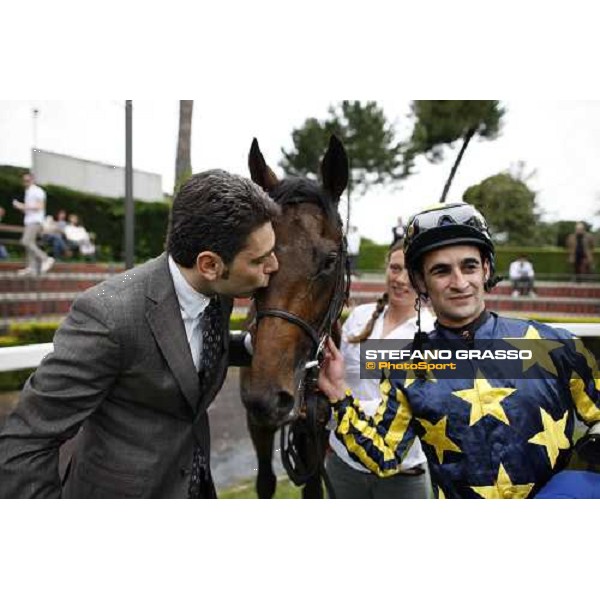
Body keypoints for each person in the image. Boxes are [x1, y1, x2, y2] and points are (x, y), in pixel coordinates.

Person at [0, 169, 280, 498]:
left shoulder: (220, 291)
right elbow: (26, 441)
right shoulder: (109, 316)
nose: (274, 265)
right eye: (261, 259)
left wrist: (249, 345)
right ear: (209, 265)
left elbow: (187, 347)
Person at [318, 202, 600, 499]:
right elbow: (383, 457)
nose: (460, 282)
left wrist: (579, 486)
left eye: (469, 266)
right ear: (420, 282)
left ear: (486, 269)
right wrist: (337, 392)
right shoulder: (406, 367)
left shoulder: (555, 344)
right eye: (441, 271)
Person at [325, 240, 435, 498]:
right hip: (344, 464)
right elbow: (339, 380)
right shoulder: (360, 316)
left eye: (413, 272)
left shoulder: (434, 334)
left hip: (403, 475)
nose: (401, 279)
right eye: (395, 268)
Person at [11, 173, 54, 276]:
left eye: (28, 180)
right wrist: (20, 207)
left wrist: (21, 205)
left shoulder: (37, 191)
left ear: (33, 180)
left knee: (25, 241)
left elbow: (40, 206)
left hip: (35, 221)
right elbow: (29, 209)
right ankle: (31, 268)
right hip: (30, 221)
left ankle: (46, 259)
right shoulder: (28, 192)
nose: (25, 182)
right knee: (30, 244)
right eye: (24, 181)